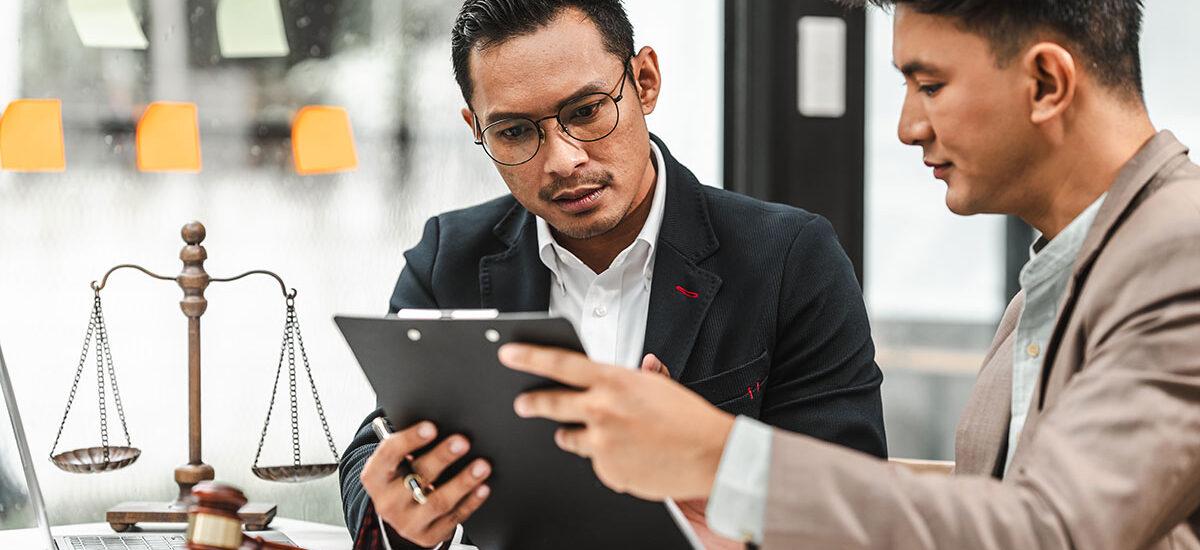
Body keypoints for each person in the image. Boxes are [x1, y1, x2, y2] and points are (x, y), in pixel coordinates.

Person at [501, 0, 1200, 548]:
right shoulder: (1057, 278)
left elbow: (1050, 532)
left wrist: (719, 456)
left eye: (930, 84)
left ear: (1047, 82)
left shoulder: (1181, 252)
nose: (907, 126)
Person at [338, 1, 888, 548]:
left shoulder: (788, 258)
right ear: (476, 129)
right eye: (515, 132)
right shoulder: (449, 257)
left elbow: (852, 507)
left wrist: (712, 466)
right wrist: (401, 516)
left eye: (585, 111)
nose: (562, 161)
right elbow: (380, 443)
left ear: (644, 82)